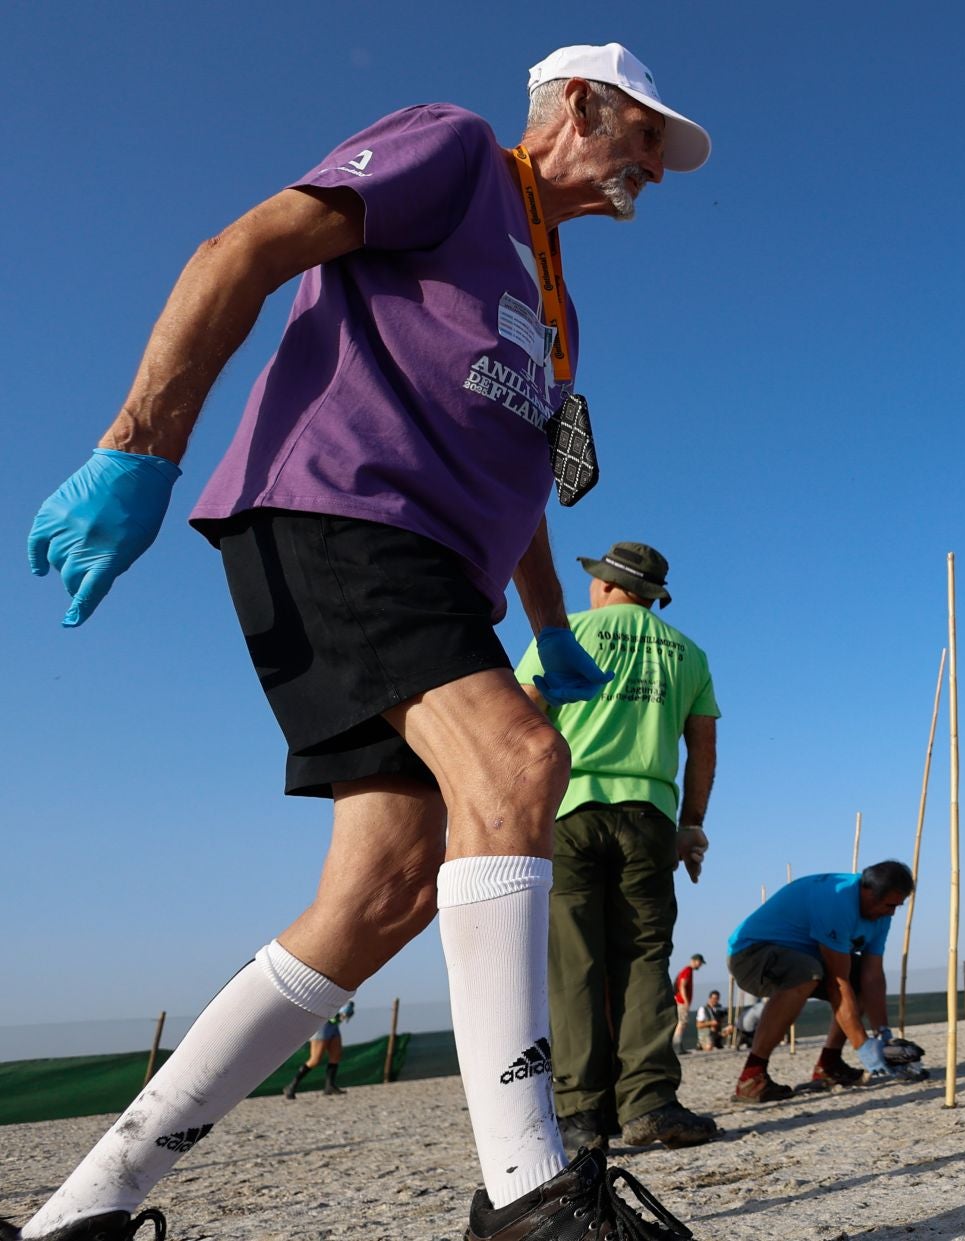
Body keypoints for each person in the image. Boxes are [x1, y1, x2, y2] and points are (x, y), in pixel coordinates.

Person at [16, 40, 709, 1241]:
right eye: (647, 135)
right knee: (518, 765)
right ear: (582, 105)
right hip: (343, 505)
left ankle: (83, 1208)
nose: (657, 166)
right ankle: (529, 1196)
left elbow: (522, 486)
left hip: (441, 566)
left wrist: (555, 632)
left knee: (381, 891)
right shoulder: (451, 152)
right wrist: (142, 441)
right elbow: (244, 248)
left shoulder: (560, 308)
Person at [517, 544, 719, 1156]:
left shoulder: (565, 633)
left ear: (605, 584)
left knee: (574, 964)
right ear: (654, 595)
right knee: (644, 959)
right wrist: (691, 825)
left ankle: (580, 1115)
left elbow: (523, 718)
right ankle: (651, 1103)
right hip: (650, 815)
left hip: (570, 811)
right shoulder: (688, 651)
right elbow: (702, 750)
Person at [725, 863, 918, 1101]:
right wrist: (862, 1046)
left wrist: (883, 1035)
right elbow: (838, 983)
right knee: (807, 973)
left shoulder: (880, 914)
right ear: (868, 892)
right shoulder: (836, 902)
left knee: (857, 979)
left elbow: (872, 977)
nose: (892, 914)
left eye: (898, 906)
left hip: (805, 955)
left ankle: (829, 1065)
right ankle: (751, 1077)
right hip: (751, 955)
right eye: (889, 905)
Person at [283, 1001, 356, 1099]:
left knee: (336, 1054)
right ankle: (292, 1086)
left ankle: (330, 1086)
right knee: (315, 1059)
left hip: (333, 1025)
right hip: (322, 1026)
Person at [672, 953, 705, 1050]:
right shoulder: (687, 971)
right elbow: (682, 985)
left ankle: (678, 1046)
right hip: (681, 1002)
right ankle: (677, 1046)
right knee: (681, 1023)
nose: (700, 965)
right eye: (700, 963)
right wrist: (685, 1001)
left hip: (680, 1000)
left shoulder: (687, 970)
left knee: (682, 1023)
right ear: (695, 961)